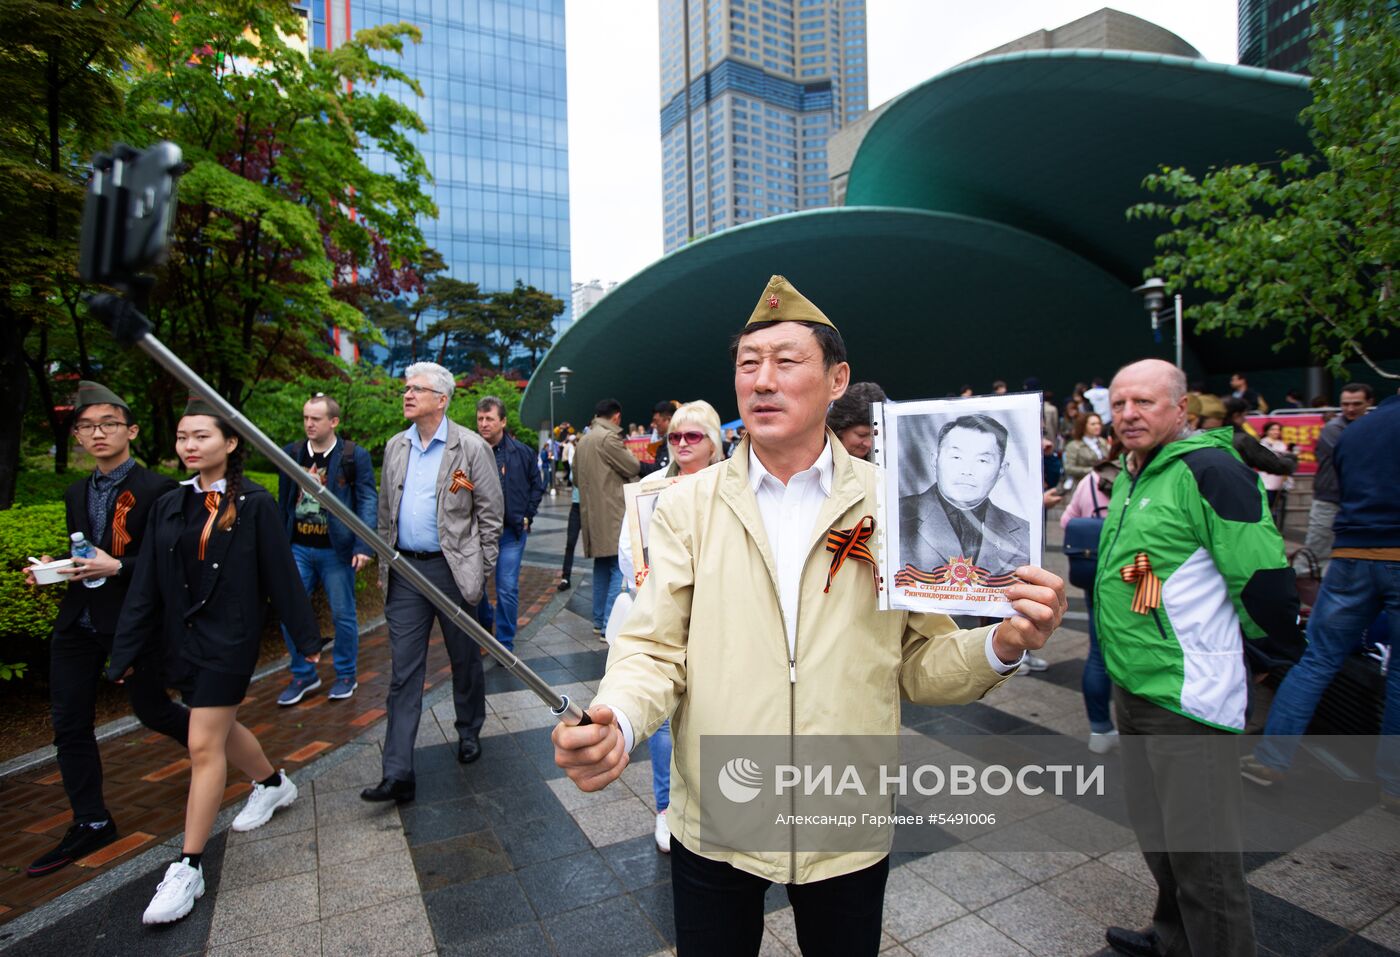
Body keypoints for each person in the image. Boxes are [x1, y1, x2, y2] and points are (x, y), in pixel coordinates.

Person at [553, 275, 1065, 956]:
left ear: (835, 379)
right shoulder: (686, 507)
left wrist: (1001, 643)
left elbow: (920, 663)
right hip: (718, 810)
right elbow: (652, 647)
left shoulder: (894, 506)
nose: (762, 380)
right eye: (747, 364)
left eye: (786, 362)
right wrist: (616, 714)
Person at [1094, 359, 1300, 957]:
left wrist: (1271, 659)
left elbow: (1262, 577)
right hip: (1134, 685)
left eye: (1145, 403)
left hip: (1188, 699)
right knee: (1160, 839)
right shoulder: (1137, 471)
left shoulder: (1211, 469)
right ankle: (1172, 937)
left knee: (1205, 862)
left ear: (1181, 409)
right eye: (1120, 403)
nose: (1129, 414)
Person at [108, 398, 322, 925]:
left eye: (201, 436)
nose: (189, 446)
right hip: (181, 639)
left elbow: (280, 573)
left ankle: (189, 866)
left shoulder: (254, 502)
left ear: (230, 443)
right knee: (220, 730)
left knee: (203, 742)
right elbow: (147, 584)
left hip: (231, 639)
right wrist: (126, 649)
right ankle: (273, 784)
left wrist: (307, 637)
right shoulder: (169, 504)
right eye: (183, 437)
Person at [23, 382, 190, 879]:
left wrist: (118, 566)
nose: (98, 433)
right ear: (76, 435)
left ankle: (218, 748)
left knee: (154, 710)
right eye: (87, 426)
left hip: (132, 623)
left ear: (131, 431)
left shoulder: (159, 489)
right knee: (69, 722)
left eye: (109, 424)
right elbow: (87, 551)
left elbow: (172, 560)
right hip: (79, 621)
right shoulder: (76, 492)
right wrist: (55, 567)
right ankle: (92, 820)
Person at [1241, 388, 1399, 813]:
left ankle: (1272, 758)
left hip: (1351, 551)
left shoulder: (1356, 432)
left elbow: (1337, 489)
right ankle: (1394, 784)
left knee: (1317, 659)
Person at [363, 362, 504, 802]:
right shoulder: (395, 447)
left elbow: (490, 515)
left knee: (464, 659)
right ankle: (398, 771)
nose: (407, 395)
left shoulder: (470, 448)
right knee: (404, 673)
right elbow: (387, 509)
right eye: (406, 389)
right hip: (406, 573)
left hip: (453, 570)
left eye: (417, 390)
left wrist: (480, 570)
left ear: (441, 400)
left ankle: (468, 729)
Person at [617, 400, 725, 854]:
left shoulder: (732, 486)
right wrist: (652, 577)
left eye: (692, 436)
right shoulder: (648, 488)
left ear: (713, 441)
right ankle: (665, 806)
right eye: (675, 437)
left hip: (721, 619)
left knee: (718, 711)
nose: (681, 444)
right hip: (668, 617)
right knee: (662, 722)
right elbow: (629, 553)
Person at [275, 393, 378, 706]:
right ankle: (304, 674)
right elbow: (284, 503)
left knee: (343, 614)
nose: (309, 424)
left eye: (316, 419)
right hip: (298, 548)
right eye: (306, 417)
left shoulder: (352, 456)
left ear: (333, 422)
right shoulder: (292, 452)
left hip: (337, 550)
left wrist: (364, 544)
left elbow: (367, 500)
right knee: (290, 611)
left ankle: (346, 674)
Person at [898, 414, 1031, 579]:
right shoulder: (896, 517)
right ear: (935, 460)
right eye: (956, 457)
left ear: (1002, 469)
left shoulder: (1025, 533)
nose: (967, 470)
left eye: (982, 460)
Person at [1059, 449, 1122, 753]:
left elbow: (1068, 521)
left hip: (1097, 574)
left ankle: (1100, 729)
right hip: (1144, 579)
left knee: (1098, 652)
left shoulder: (1093, 479)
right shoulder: (1152, 480)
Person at [475, 396, 545, 655]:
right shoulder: (468, 451)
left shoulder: (522, 453)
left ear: (502, 421)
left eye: (489, 419)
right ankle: (484, 626)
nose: (484, 424)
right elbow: (455, 486)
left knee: (506, 587)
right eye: (480, 419)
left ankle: (504, 642)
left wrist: (528, 514)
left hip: (511, 532)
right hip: (477, 534)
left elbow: (537, 485)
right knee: (475, 588)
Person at [573, 398, 640, 635]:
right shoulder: (608, 438)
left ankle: (598, 619)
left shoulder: (584, 440)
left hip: (591, 514)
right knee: (616, 567)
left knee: (601, 566)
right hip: (613, 512)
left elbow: (574, 479)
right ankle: (609, 624)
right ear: (616, 417)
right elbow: (632, 466)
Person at [1304, 383, 1374, 565]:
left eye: (1357, 404)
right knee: (1316, 554)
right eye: (1345, 404)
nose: (1350, 409)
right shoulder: (1333, 428)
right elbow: (1356, 458)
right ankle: (1306, 591)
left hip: (1363, 500)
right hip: (1330, 499)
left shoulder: (1374, 426)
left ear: (1369, 403)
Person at [826, 381, 886, 461]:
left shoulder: (884, 460)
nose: (869, 444)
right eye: (862, 435)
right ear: (839, 430)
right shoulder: (820, 459)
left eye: (875, 435)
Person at [1062, 412, 1109, 488]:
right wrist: (1091, 470)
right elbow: (1069, 468)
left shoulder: (1103, 442)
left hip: (1103, 483)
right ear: (1083, 426)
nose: (1097, 426)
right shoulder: (1074, 445)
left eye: (1098, 423)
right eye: (1093, 424)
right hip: (1082, 484)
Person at [1258, 421, 1293, 515]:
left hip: (1279, 479)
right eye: (1273, 429)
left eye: (1278, 430)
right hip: (1266, 478)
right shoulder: (1262, 444)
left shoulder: (1282, 444)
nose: (1276, 432)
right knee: (1267, 503)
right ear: (1267, 431)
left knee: (1276, 506)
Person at [639, 400, 677, 476]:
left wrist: (635, 464)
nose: (653, 425)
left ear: (669, 420)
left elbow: (660, 470)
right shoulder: (666, 440)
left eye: (656, 421)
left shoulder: (675, 442)